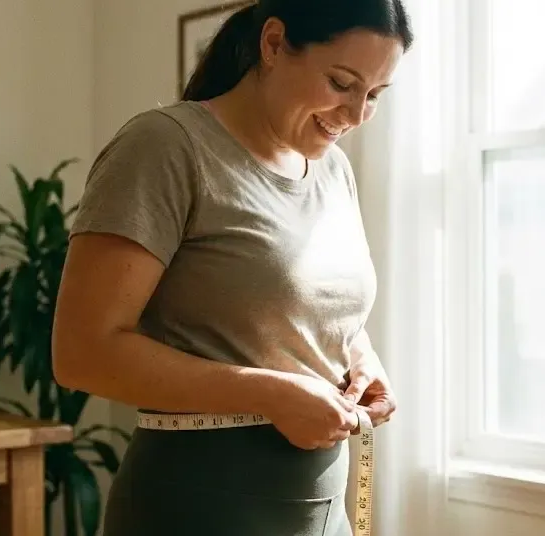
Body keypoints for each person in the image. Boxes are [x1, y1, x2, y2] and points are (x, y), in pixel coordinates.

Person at [52, 0, 413, 534]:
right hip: (197, 505)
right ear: (272, 45)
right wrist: (268, 393)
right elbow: (81, 354)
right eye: (341, 82)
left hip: (325, 510)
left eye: (375, 96)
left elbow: (307, 307)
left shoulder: (334, 171)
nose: (357, 114)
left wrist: (362, 361)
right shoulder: (166, 146)